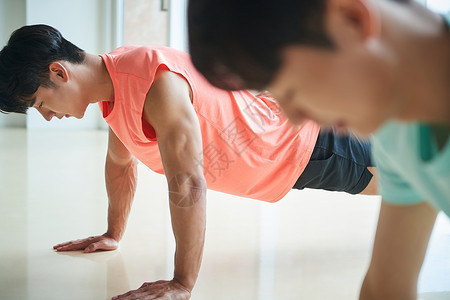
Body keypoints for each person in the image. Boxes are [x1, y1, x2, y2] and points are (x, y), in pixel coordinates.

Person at [0, 24, 377, 300]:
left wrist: (182, 283)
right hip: (286, 156)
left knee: (425, 179)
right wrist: (114, 233)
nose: (48, 116)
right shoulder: (114, 88)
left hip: (306, 144)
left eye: (40, 104)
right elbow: (119, 164)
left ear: (59, 72)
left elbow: (187, 181)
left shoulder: (156, 83)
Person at [187, 0, 450, 299]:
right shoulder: (398, 135)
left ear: (352, 18)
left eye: (290, 91)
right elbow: (385, 288)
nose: (294, 118)